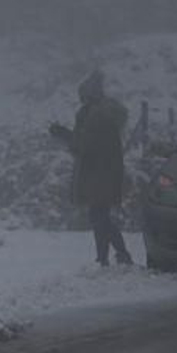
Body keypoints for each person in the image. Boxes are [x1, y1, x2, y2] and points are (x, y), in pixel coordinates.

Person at [50, 70, 134, 266]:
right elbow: (85, 144)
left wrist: (62, 134)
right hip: (105, 173)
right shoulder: (101, 114)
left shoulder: (97, 116)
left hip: (99, 174)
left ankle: (116, 256)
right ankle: (107, 257)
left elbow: (84, 146)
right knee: (99, 216)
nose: (81, 101)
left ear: (89, 95)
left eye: (83, 96)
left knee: (99, 216)